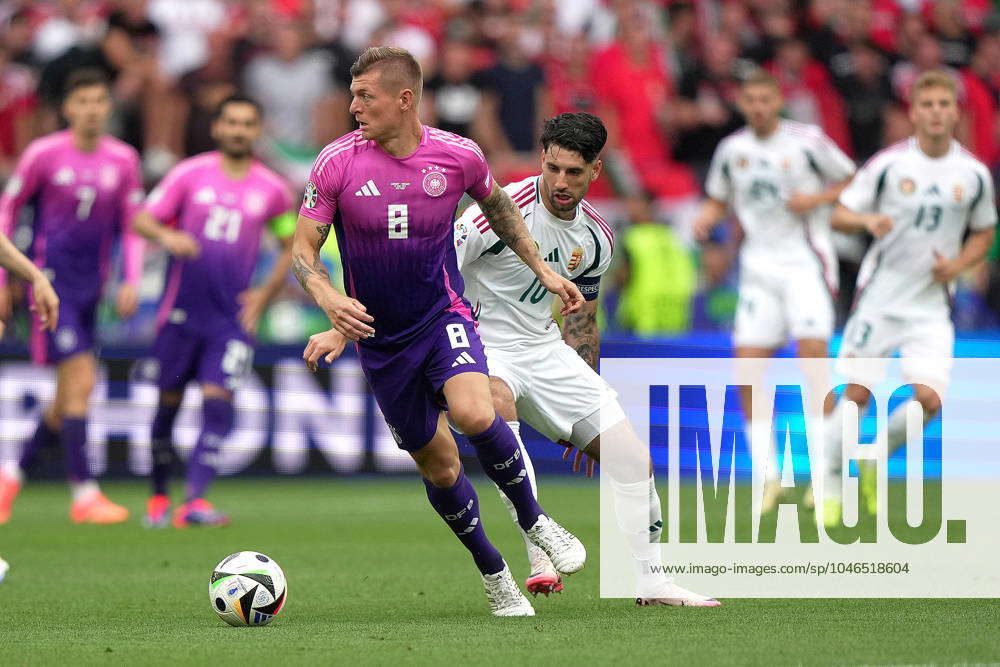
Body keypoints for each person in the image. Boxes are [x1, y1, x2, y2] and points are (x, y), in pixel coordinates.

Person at [295, 46, 585, 618]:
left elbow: (500, 209)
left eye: (364, 96)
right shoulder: (336, 163)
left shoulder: (458, 156)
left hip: (442, 316)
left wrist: (544, 270)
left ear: (405, 100)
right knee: (440, 465)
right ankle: (493, 572)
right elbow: (303, 249)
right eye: (352, 95)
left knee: (477, 414)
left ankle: (537, 523)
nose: (353, 106)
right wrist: (330, 300)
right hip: (381, 340)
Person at [445, 112, 719, 606]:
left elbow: (581, 322)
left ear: (596, 170)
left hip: (544, 349)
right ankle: (539, 549)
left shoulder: (596, 238)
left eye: (574, 172)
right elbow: (438, 268)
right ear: (542, 160)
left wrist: (582, 413)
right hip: (481, 343)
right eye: (552, 168)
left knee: (634, 461)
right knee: (496, 407)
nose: (560, 182)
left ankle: (651, 580)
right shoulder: (498, 211)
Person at [822, 70, 996, 523]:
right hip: (881, 297)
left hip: (932, 304)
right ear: (914, 112)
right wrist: (868, 223)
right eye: (928, 105)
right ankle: (834, 481)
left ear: (956, 112)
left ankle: (876, 455)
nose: (937, 112)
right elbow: (839, 216)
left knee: (931, 399)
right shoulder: (889, 166)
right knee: (856, 393)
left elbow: (983, 231)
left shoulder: (973, 174)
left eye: (944, 104)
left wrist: (959, 266)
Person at [131, 94, 296, 528]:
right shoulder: (189, 175)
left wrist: (263, 294)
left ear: (257, 131)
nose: (239, 130)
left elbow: (292, 244)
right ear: (218, 128)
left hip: (231, 320)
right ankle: (158, 498)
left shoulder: (272, 189)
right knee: (167, 405)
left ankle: (195, 502)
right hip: (181, 314)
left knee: (218, 402)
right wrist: (167, 238)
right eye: (232, 123)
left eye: (247, 124)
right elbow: (144, 219)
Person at [692, 70, 856, 506]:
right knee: (747, 371)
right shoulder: (733, 150)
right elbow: (718, 196)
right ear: (742, 104)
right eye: (752, 100)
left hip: (805, 263)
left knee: (814, 365)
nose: (760, 107)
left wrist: (817, 200)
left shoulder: (807, 140)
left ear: (778, 100)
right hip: (759, 269)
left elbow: (853, 179)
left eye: (767, 99)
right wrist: (707, 217)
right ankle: (769, 476)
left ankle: (826, 476)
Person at [0, 68, 143, 525]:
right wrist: (6, 282)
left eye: (99, 101)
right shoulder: (44, 154)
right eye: (82, 102)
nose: (92, 110)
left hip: (92, 288)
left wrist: (130, 278)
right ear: (67, 108)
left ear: (108, 106)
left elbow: (131, 223)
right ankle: (84, 494)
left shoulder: (122, 159)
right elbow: (8, 209)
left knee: (68, 395)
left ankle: (9, 478)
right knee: (81, 380)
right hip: (50, 285)